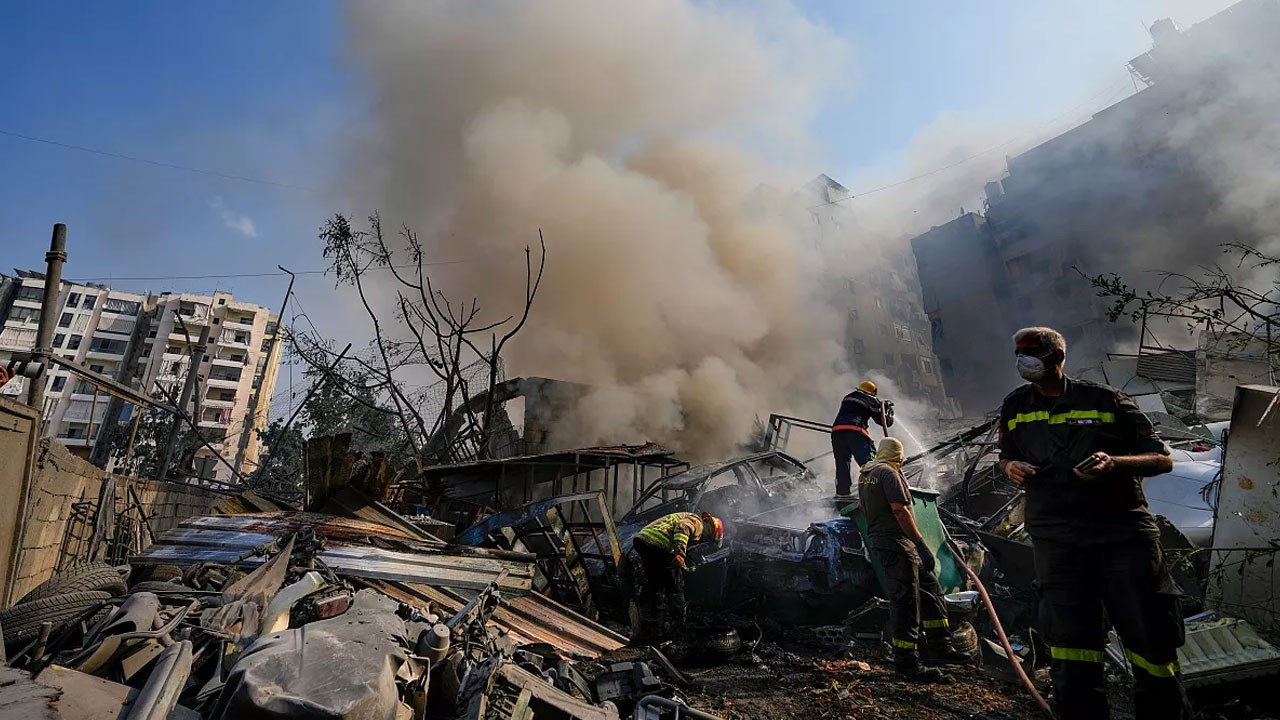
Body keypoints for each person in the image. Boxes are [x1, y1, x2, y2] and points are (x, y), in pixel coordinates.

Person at [997, 326, 1192, 720]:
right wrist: (1009, 468)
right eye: (1018, 352)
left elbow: (1161, 457)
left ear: (1058, 357)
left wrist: (1114, 463)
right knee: (1071, 644)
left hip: (1121, 537)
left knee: (1148, 636)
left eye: (1032, 351)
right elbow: (1005, 456)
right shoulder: (1015, 406)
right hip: (1057, 541)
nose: (1023, 359)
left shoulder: (1105, 400)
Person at [858, 437, 970, 681]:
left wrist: (876, 530)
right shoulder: (888, 473)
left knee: (930, 589)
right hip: (898, 544)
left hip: (887, 541)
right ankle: (906, 662)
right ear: (897, 454)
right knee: (907, 601)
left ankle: (941, 648)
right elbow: (901, 510)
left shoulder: (866, 474)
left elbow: (862, 506)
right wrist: (920, 543)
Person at [632, 511, 724, 638]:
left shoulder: (689, 520)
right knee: (675, 586)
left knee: (656, 585)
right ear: (711, 530)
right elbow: (683, 527)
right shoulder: (698, 523)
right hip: (659, 544)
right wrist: (680, 553)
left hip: (643, 541)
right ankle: (678, 628)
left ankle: (654, 629)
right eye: (709, 539)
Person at [831, 380, 895, 503]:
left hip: (837, 432)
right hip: (856, 431)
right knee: (869, 463)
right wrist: (887, 411)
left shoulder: (848, 397)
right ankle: (875, 492)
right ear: (873, 392)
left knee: (842, 463)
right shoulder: (871, 399)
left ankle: (842, 493)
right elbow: (882, 422)